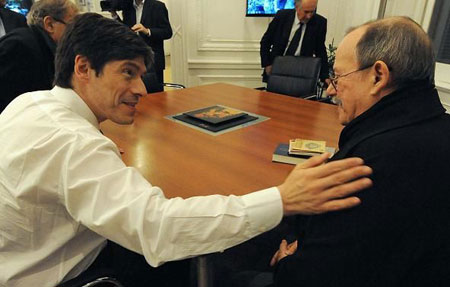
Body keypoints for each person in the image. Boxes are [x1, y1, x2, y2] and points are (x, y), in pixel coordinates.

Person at [0, 13, 374, 287]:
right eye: (127, 72)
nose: (142, 90)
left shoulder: (30, 104)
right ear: (83, 67)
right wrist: (283, 199)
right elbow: (159, 228)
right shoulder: (76, 145)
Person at [267, 16, 450, 286]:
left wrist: (286, 263)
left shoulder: (363, 163)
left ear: (378, 76)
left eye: (338, 77)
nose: (330, 91)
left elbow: (315, 277)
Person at [0, 0, 78, 112]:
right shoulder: (19, 47)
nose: (76, 32)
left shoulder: (46, 47)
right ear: (50, 24)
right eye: (72, 25)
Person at [260, 0, 329, 83]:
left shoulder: (319, 23)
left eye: (312, 11)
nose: (309, 16)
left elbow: (320, 50)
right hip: (277, 68)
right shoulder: (282, 17)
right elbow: (265, 42)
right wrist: (267, 64)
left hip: (301, 72)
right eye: (306, 12)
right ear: (296, 7)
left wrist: (325, 76)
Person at [111, 0, 172, 90]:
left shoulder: (158, 6)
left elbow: (167, 32)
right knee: (136, 94)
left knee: (156, 97)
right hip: (133, 58)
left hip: (153, 60)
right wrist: (114, 15)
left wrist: (147, 31)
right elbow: (126, 30)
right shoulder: (128, 7)